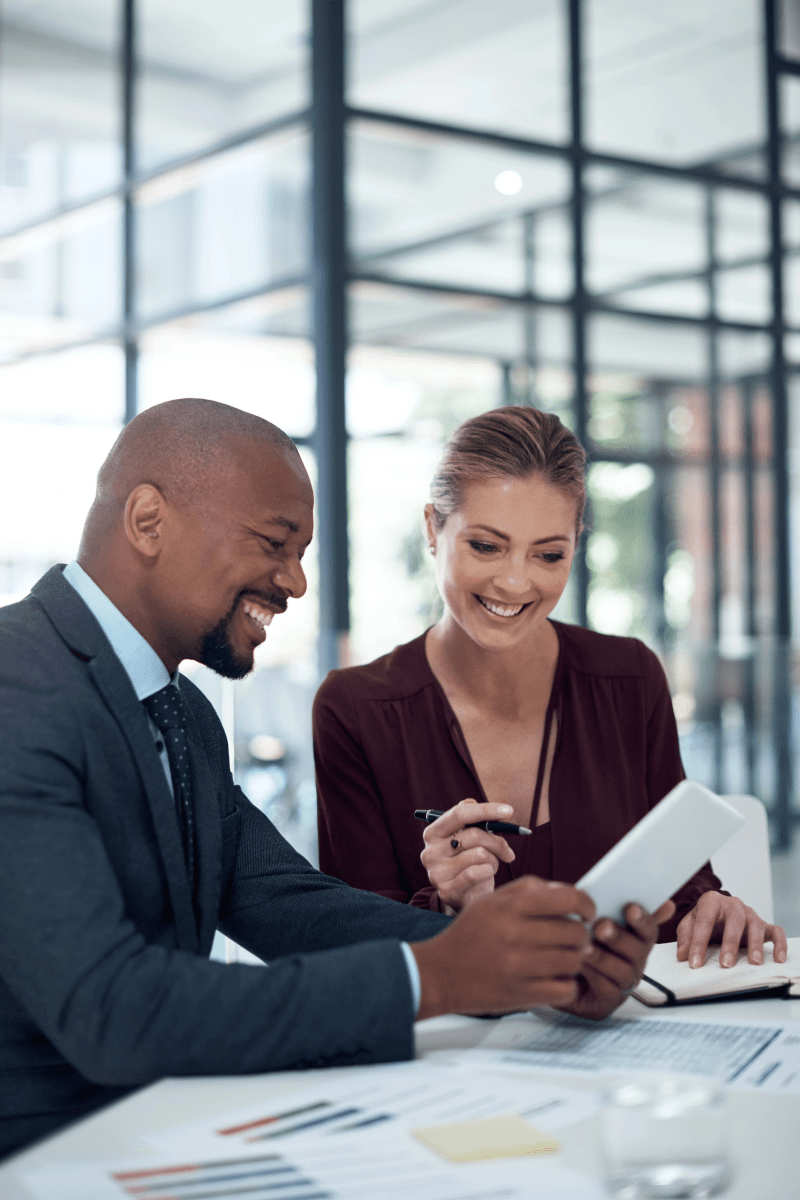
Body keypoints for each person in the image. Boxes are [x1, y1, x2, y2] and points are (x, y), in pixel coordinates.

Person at [0, 397, 671, 1162]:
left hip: (169, 1127)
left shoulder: (181, 710)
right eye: (274, 543)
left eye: (302, 552)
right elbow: (111, 1010)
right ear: (149, 521)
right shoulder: (16, 688)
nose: (295, 581)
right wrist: (439, 974)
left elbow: (284, 903)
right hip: (44, 1156)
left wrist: (522, 963)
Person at [314, 405, 786, 972]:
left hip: (627, 1034)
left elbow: (680, 882)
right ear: (433, 530)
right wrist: (448, 907)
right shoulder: (356, 711)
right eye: (486, 546)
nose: (516, 581)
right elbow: (352, 947)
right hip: (455, 1049)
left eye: (549, 554)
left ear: (576, 544)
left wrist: (712, 908)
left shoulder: (629, 678)